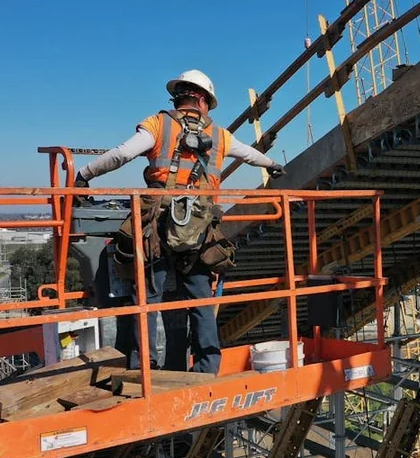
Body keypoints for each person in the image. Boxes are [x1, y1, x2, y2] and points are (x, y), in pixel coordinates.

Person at [73, 69, 285, 374]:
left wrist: (84, 174)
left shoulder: (159, 125)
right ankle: (207, 367)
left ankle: (143, 367)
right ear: (203, 100)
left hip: (156, 225)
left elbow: (121, 154)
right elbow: (249, 155)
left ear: (180, 96)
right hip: (199, 228)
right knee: (200, 297)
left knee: (147, 299)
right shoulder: (220, 135)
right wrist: (273, 164)